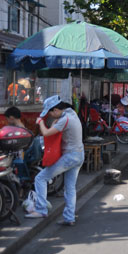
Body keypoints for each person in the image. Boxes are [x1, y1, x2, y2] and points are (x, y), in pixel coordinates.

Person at [26, 95, 85, 226]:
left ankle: (41, 210)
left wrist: (40, 122)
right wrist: (53, 121)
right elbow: (56, 126)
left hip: (70, 157)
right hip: (79, 155)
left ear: (56, 110)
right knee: (70, 188)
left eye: (50, 113)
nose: (50, 116)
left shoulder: (65, 119)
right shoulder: (71, 114)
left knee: (40, 178)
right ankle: (69, 218)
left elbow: (46, 133)